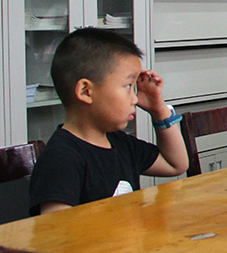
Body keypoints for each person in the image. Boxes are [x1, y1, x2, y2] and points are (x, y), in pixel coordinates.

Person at [28, 27, 189, 215]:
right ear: (86, 91)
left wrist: (159, 110)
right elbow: (56, 229)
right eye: (128, 86)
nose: (135, 99)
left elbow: (176, 164)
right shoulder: (61, 159)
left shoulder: (120, 143)